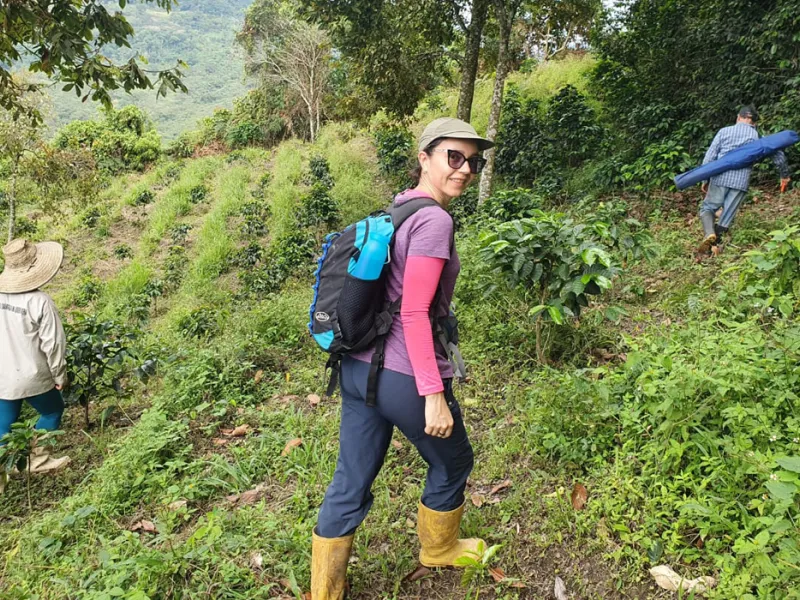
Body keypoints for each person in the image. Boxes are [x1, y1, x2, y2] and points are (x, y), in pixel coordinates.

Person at [310, 118, 493, 599]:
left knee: (350, 479)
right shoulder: (435, 219)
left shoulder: (400, 208)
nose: (466, 169)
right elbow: (413, 311)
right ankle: (439, 549)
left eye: (475, 161)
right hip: (403, 375)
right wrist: (433, 393)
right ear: (425, 157)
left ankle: (325, 591)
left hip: (355, 369)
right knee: (454, 462)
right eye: (454, 157)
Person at [697, 105, 791, 255]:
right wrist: (784, 175)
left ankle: (709, 234)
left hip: (720, 177)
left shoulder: (724, 131)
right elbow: (778, 155)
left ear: (738, 117)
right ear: (754, 123)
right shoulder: (756, 136)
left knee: (707, 208)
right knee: (726, 216)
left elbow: (710, 157)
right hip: (740, 182)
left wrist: (705, 179)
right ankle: (713, 249)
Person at [0, 238, 67, 444]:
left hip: (3, 376)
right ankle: (37, 458)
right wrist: (59, 375)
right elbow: (53, 344)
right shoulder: (40, 301)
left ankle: (4, 471)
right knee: (53, 411)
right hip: (33, 376)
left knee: (3, 426)